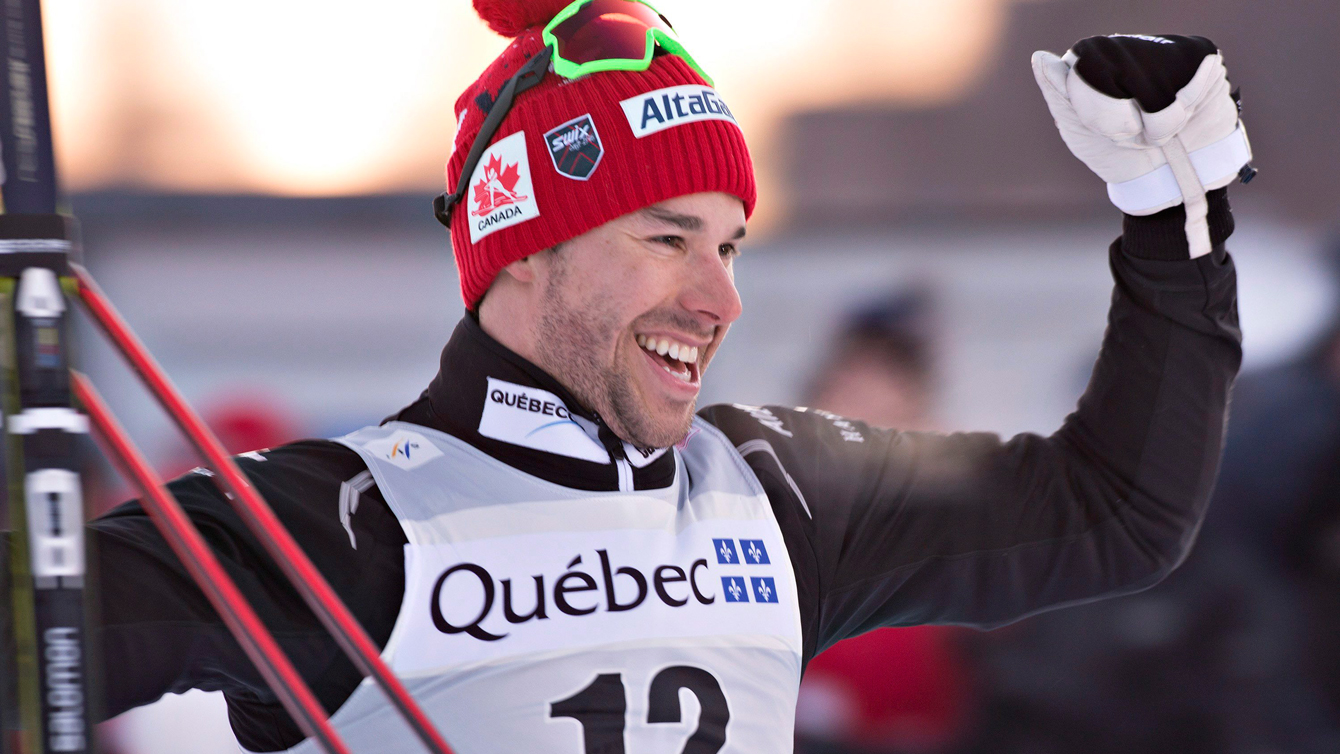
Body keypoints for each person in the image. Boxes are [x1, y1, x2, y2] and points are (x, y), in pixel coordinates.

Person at [1, 4, 1247, 752]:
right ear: (523, 251)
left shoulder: (778, 490)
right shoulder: (347, 520)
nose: (718, 297)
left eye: (728, 244)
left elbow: (1114, 514)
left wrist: (1171, 221)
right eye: (663, 239)